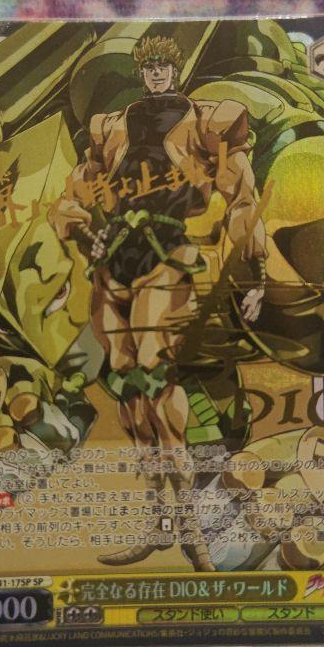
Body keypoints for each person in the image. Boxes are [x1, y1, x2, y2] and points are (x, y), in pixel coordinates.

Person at [49, 35, 267, 571]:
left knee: (154, 374)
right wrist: (81, 232)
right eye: (149, 67)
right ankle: (157, 524)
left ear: (177, 69)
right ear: (141, 72)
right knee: (128, 388)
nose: (157, 74)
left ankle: (192, 532)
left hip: (166, 255)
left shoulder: (208, 121)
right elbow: (75, 195)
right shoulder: (110, 127)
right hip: (114, 260)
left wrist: (256, 272)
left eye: (165, 66)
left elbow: (243, 197)